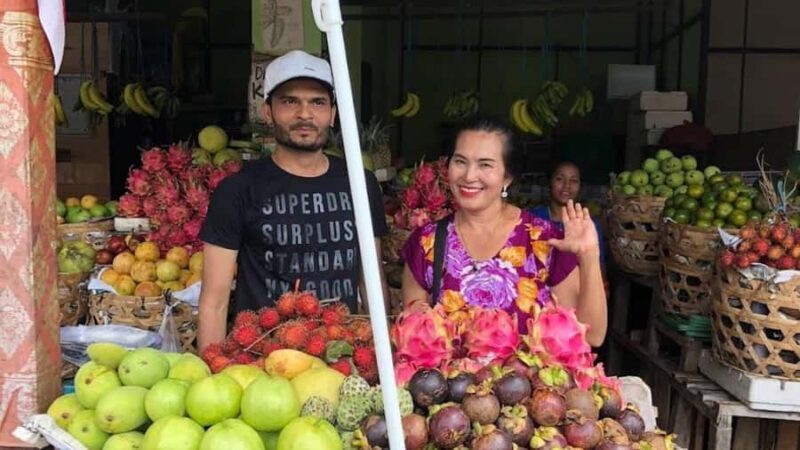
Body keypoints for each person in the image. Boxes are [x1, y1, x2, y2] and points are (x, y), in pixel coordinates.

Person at [197, 50, 389, 351]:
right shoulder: (237, 191)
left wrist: (384, 355)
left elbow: (372, 282)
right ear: (268, 111)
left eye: (317, 102)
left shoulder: (360, 183)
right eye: (290, 101)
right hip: (264, 359)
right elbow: (215, 301)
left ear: (333, 114)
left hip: (342, 355)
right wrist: (211, 374)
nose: (305, 114)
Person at [401, 118, 607, 346]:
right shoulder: (425, 243)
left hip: (529, 382)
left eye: (485, 165)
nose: (469, 176)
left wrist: (588, 255)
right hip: (449, 382)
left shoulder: (544, 241)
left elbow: (592, 336)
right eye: (460, 161)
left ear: (507, 177)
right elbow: (415, 344)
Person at [530, 160, 606, 266]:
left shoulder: (589, 225)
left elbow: (599, 270)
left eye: (574, 180)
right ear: (549, 182)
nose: (566, 185)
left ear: (580, 186)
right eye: (560, 179)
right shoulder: (532, 219)